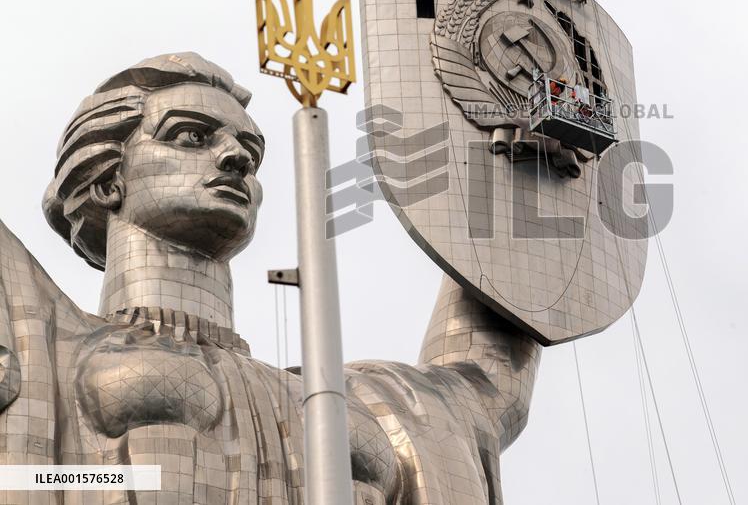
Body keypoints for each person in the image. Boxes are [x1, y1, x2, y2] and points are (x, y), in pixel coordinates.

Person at [0, 53, 539, 505]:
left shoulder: (364, 398)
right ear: (105, 181)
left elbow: (482, 389)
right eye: (190, 136)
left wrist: (520, 179)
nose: (235, 158)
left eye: (251, 153)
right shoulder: (40, 343)